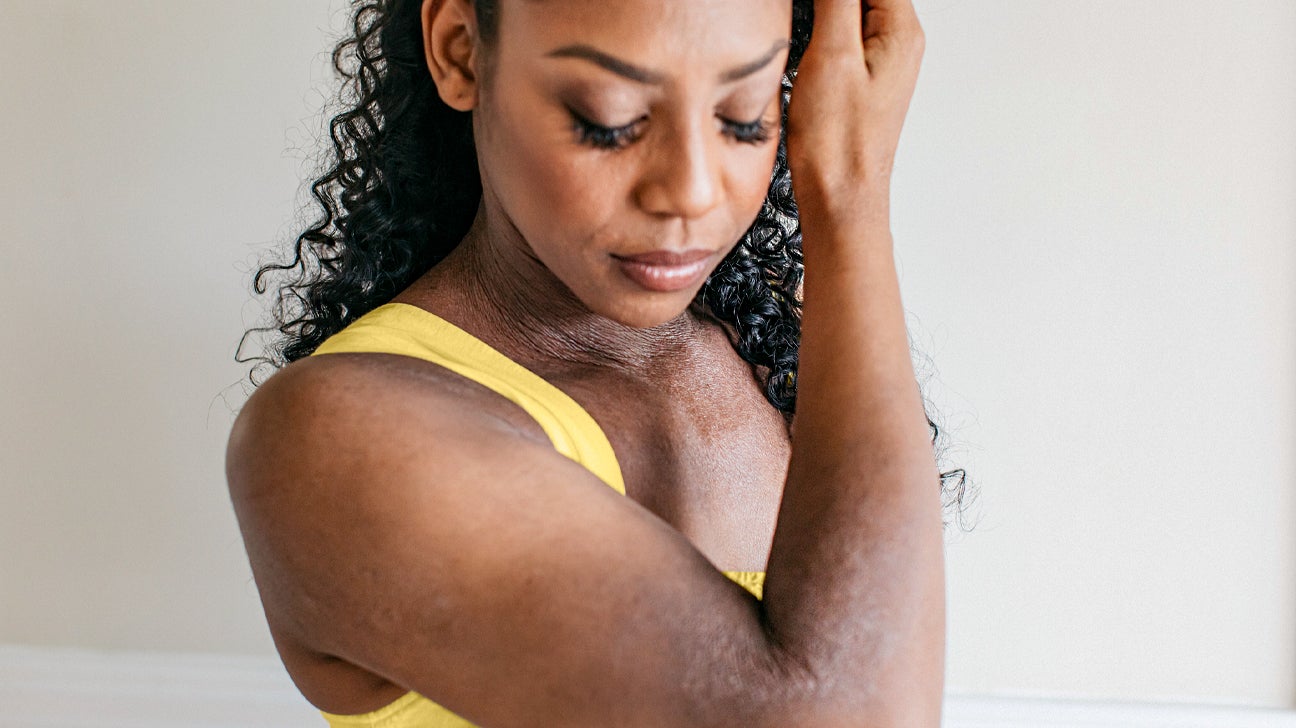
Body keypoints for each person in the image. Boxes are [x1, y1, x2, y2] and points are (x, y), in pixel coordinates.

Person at [228, 0, 967, 724]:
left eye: (744, 116)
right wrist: (847, 193)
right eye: (610, 121)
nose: (691, 191)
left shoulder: (780, 367)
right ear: (460, 50)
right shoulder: (334, 438)